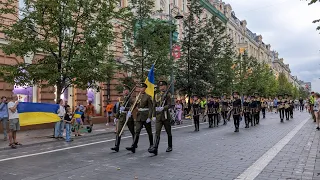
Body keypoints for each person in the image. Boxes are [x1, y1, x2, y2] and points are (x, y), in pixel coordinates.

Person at [126, 83, 153, 153]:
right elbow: (134, 105)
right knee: (137, 131)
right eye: (140, 88)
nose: (141, 89)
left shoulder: (148, 97)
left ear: (145, 88)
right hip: (139, 116)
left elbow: (151, 108)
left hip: (146, 116)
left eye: (142, 88)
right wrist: (130, 111)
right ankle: (133, 146)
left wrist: (150, 117)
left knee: (149, 131)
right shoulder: (138, 96)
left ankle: (151, 145)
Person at [149, 81, 172, 155]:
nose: (161, 87)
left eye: (163, 86)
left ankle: (170, 146)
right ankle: (155, 148)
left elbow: (169, 105)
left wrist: (163, 108)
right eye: (160, 86)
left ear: (165, 86)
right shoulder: (157, 95)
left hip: (165, 115)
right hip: (158, 116)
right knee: (157, 132)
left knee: (168, 131)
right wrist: (154, 115)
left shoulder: (168, 95)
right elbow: (154, 106)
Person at [111, 85, 135, 152]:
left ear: (129, 91)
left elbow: (133, 107)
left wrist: (126, 108)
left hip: (128, 116)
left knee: (132, 131)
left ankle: (134, 145)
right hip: (122, 116)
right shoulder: (121, 99)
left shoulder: (131, 99)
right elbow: (119, 108)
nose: (125, 91)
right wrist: (116, 117)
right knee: (119, 131)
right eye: (124, 90)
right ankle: (116, 146)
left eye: (126, 90)